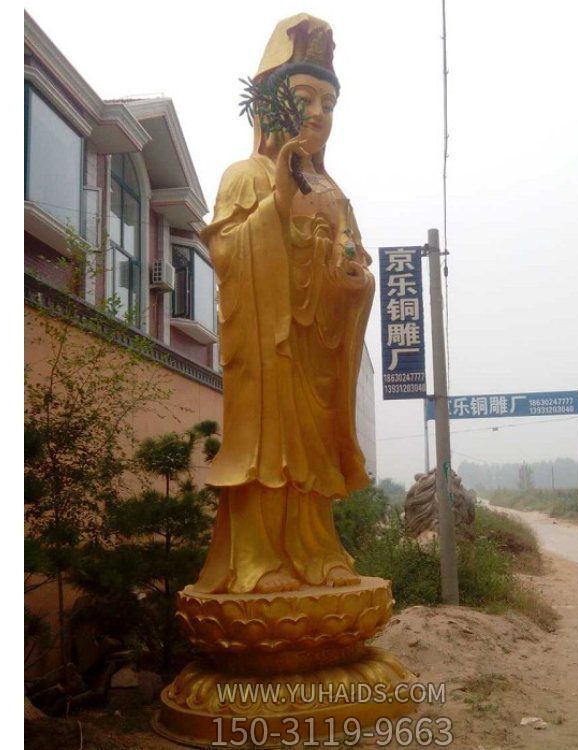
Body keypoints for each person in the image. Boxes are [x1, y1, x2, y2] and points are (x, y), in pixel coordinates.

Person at [195, 14, 374, 594]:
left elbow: (353, 264)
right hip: (267, 353)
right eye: (304, 100)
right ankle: (256, 559)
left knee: (314, 450)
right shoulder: (245, 176)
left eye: (329, 103)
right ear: (270, 109)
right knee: (267, 449)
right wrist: (276, 197)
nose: (319, 114)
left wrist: (354, 284)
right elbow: (227, 254)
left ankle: (318, 552)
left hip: (316, 346)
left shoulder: (333, 194)